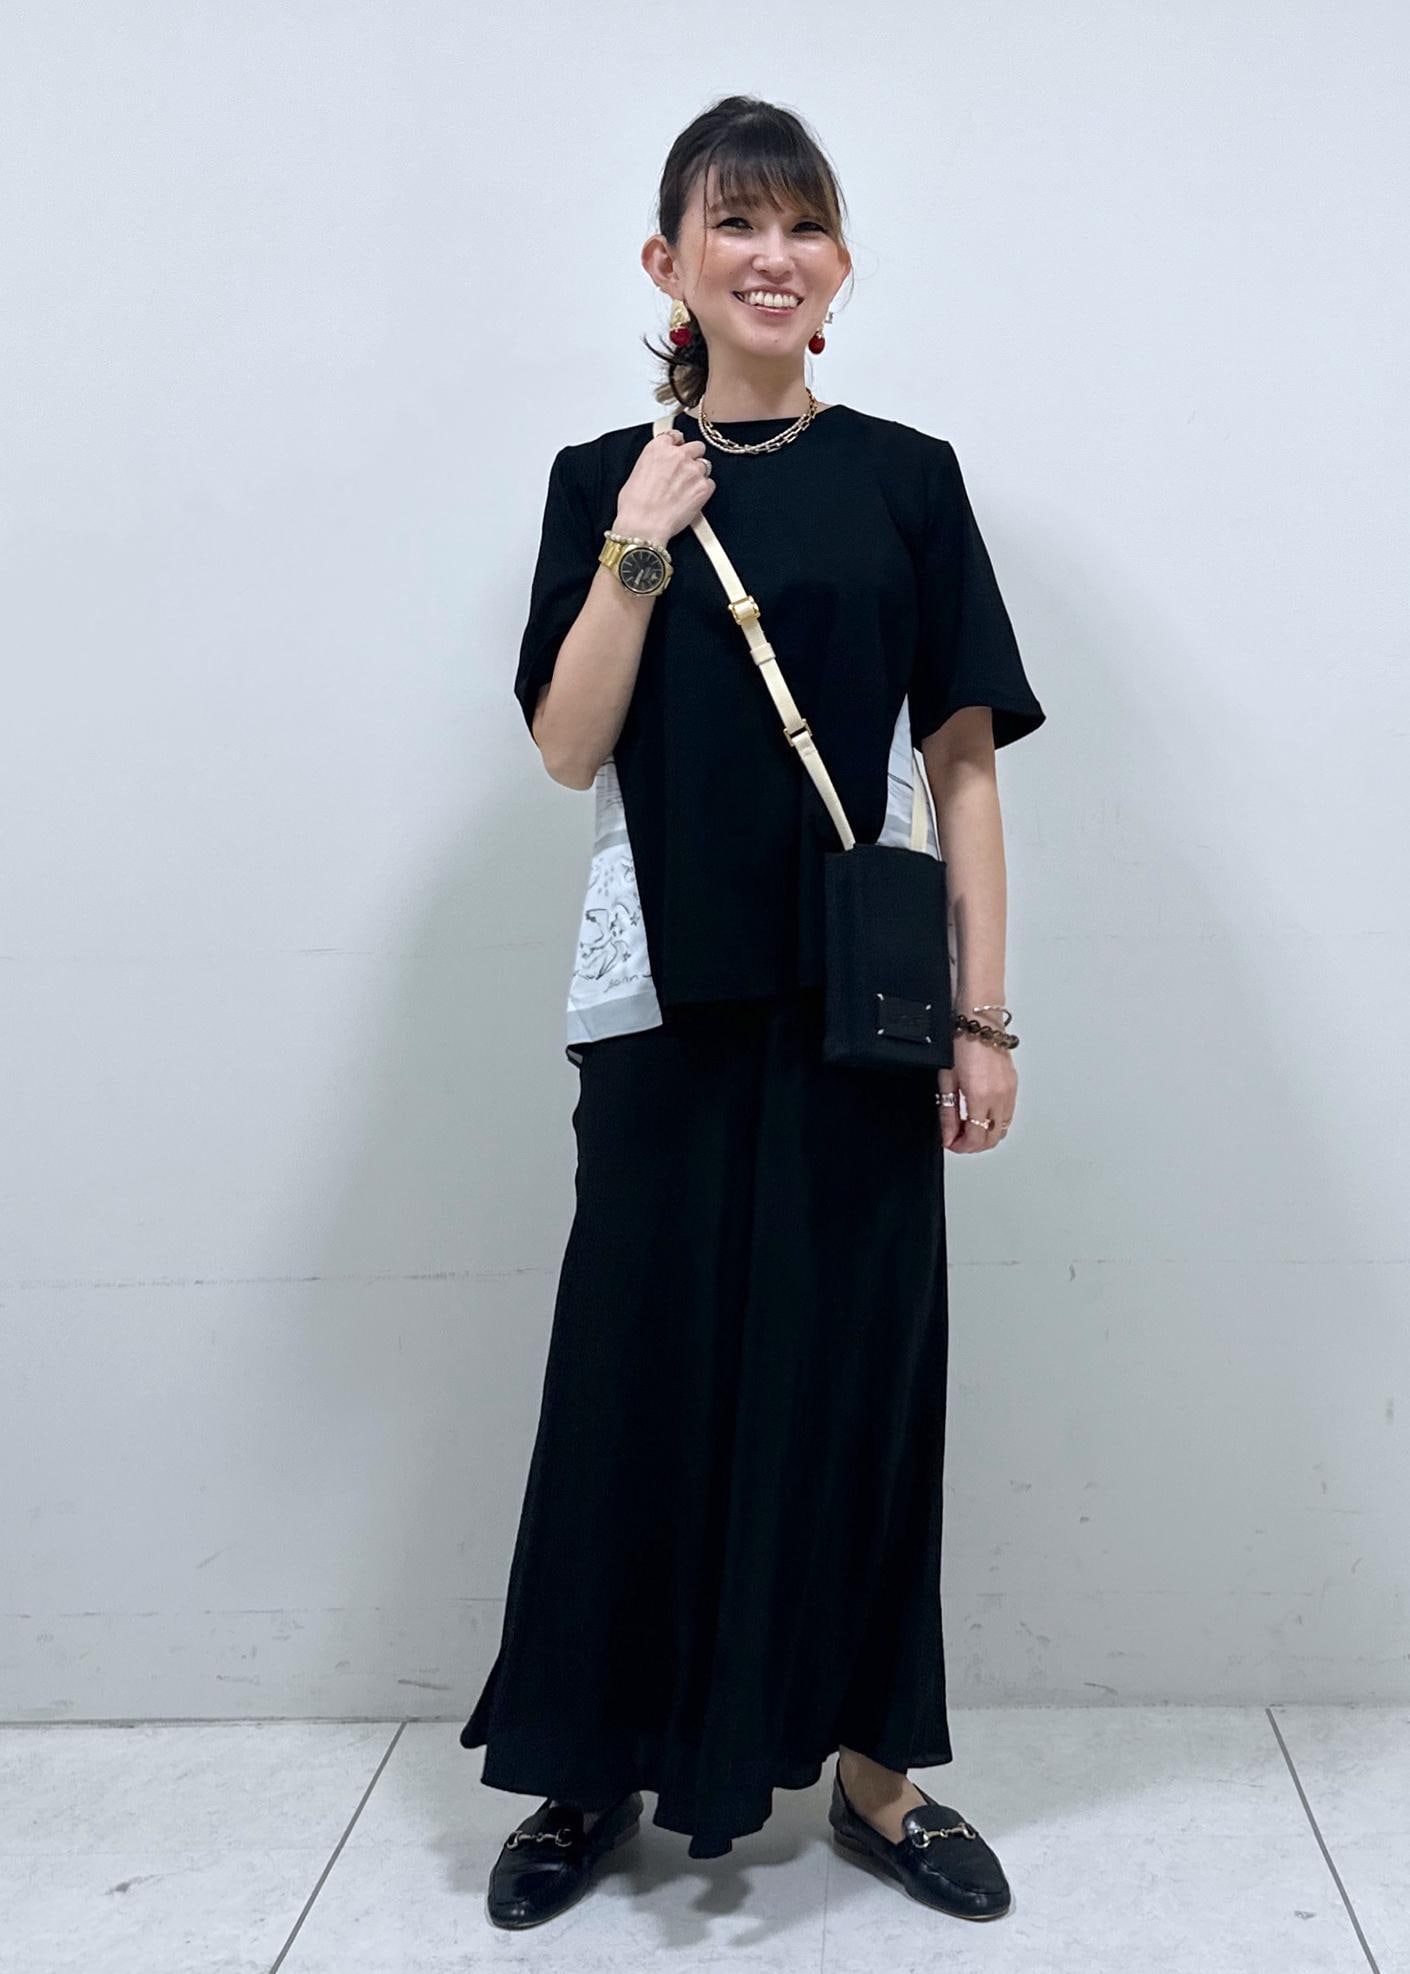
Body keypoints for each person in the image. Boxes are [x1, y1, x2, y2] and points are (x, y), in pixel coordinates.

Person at [461, 94, 1046, 1931]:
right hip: (662, 996)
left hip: (861, 1002)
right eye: (734, 224)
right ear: (670, 262)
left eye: (800, 225)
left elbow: (962, 762)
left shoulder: (907, 477)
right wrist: (638, 540)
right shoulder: (601, 478)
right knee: (629, 1372)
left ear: (841, 264)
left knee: (859, 1371)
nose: (769, 255)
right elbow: (567, 745)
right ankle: (590, 1760)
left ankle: (877, 1771)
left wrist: (984, 1018)